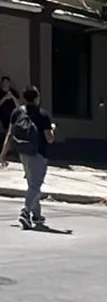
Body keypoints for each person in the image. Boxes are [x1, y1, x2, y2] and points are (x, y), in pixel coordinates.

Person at [0, 85, 56, 229]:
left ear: (24, 98)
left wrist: (3, 153)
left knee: (32, 185)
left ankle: (36, 216)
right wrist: (53, 129)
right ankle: (25, 213)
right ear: (37, 97)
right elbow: (49, 139)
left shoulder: (17, 112)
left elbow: (10, 134)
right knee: (35, 186)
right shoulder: (43, 115)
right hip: (39, 154)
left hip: (23, 152)